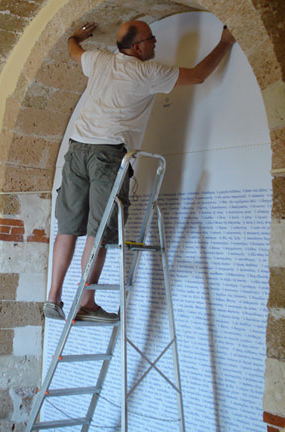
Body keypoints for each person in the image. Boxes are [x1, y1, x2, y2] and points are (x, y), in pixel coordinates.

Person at [44, 20, 236, 322]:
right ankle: (86, 303)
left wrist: (74, 37)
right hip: (108, 155)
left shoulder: (99, 61)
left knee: (67, 228)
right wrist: (225, 42)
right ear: (137, 47)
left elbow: (73, 51)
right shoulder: (148, 73)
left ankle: (53, 299)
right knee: (99, 231)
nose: (155, 43)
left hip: (77, 151)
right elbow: (199, 75)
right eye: (151, 39)